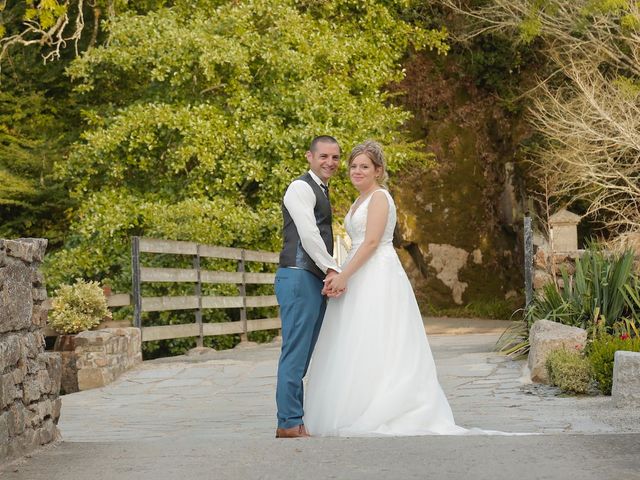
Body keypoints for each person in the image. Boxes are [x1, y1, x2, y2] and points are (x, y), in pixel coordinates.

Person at [304, 139, 470, 436]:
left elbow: (370, 243)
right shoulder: (359, 200)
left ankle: (383, 404)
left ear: (378, 170)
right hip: (358, 269)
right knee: (356, 339)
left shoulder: (380, 198)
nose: (356, 171)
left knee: (378, 336)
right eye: (353, 166)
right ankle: (357, 404)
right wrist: (341, 273)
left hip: (377, 273)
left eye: (364, 166)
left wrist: (344, 276)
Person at [274, 135, 343, 438]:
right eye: (324, 156)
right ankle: (289, 422)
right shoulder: (300, 187)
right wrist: (331, 266)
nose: (330, 162)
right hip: (298, 276)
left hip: (310, 278)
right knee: (295, 353)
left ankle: (294, 419)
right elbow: (309, 234)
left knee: (303, 355)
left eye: (335, 157)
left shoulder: (322, 190)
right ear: (309, 157)